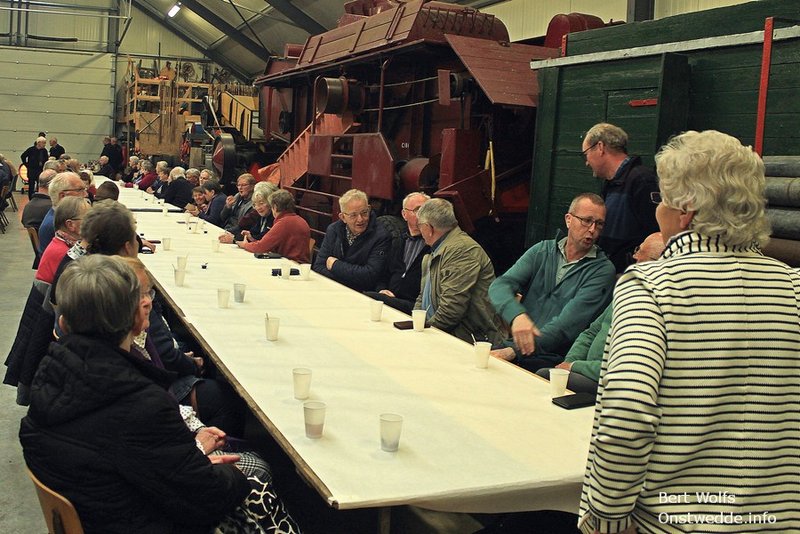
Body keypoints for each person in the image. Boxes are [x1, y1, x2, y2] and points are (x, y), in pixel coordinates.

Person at [579, 130, 800, 534]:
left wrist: (606, 519)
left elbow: (626, 419)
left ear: (685, 211)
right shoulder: (793, 288)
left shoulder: (650, 287)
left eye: (662, 201)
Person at [19, 254, 300, 533]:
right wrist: (224, 473)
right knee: (256, 476)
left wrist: (193, 465)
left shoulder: (48, 378)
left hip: (96, 513)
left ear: (63, 323)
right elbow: (207, 498)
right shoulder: (138, 402)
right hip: (137, 520)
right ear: (137, 320)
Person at [489, 193, 616, 371]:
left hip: (553, 358)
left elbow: (565, 327)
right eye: (587, 221)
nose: (592, 229)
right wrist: (517, 316)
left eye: (599, 224)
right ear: (568, 220)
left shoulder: (602, 270)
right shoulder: (542, 250)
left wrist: (514, 350)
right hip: (515, 346)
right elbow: (500, 285)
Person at [536, 232, 665, 395]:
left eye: (641, 252)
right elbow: (591, 332)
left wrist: (575, 366)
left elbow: (621, 367)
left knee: (543, 376)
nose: (635, 256)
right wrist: (569, 362)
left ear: (656, 265)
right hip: (582, 370)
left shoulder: (654, 307)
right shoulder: (627, 289)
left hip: (606, 383)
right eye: (637, 249)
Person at [413, 198, 504, 345]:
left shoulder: (461, 251)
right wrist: (416, 323)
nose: (419, 231)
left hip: (468, 341)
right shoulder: (441, 248)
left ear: (429, 228)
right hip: (441, 333)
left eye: (420, 226)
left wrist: (423, 332)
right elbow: (423, 296)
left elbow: (451, 311)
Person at [581, 122, 659, 273]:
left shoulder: (642, 181)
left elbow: (656, 236)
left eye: (586, 154)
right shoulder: (611, 184)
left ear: (600, 147)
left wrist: (627, 265)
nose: (586, 162)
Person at [313, 188, 390, 292]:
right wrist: (350, 278)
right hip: (333, 290)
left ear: (369, 208)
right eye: (353, 215)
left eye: (364, 213)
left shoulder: (381, 236)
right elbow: (318, 267)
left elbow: (369, 276)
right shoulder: (333, 230)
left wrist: (335, 265)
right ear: (343, 217)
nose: (360, 219)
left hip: (361, 294)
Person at [366, 192, 430, 315]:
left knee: (368, 297)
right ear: (404, 214)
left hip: (414, 306)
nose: (423, 215)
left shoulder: (432, 245)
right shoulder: (398, 241)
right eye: (417, 210)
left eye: (426, 210)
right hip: (391, 298)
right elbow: (383, 274)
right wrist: (382, 289)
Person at [237, 189, 311, 263]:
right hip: (297, 263)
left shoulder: (283, 223)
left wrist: (245, 245)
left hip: (292, 264)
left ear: (274, 207)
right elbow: (268, 244)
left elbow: (261, 247)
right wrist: (252, 239)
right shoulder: (299, 220)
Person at [36, 197, 90, 284]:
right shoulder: (63, 253)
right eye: (88, 218)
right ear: (70, 225)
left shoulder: (62, 243)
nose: (93, 222)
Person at [38, 172, 88, 253]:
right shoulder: (56, 225)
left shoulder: (58, 218)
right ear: (63, 196)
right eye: (79, 190)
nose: (86, 194)